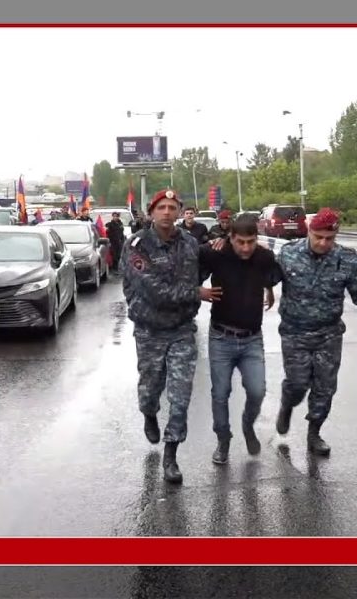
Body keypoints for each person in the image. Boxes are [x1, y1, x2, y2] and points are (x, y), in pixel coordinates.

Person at [275, 207, 357, 456]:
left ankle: (314, 433)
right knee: (297, 383)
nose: (323, 243)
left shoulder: (347, 260)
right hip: (295, 332)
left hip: (328, 334)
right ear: (309, 231)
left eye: (329, 238)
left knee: (325, 387)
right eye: (318, 237)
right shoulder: (288, 253)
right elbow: (263, 276)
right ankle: (287, 404)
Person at [121, 189, 202, 485]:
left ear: (179, 211)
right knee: (150, 388)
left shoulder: (190, 243)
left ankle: (171, 454)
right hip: (149, 330)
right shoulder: (137, 245)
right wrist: (195, 293)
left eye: (172, 207)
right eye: (161, 207)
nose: (167, 212)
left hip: (182, 330)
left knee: (180, 396)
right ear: (151, 212)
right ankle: (149, 414)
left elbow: (203, 271)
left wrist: (223, 243)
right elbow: (153, 291)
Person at [199, 214, 282, 464]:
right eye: (240, 242)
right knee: (220, 393)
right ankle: (223, 439)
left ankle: (248, 424)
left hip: (251, 339)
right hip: (221, 337)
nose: (246, 248)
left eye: (251, 242)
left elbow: (272, 274)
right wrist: (197, 290)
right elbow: (184, 266)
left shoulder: (264, 256)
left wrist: (268, 289)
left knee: (258, 391)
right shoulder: (215, 252)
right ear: (230, 238)